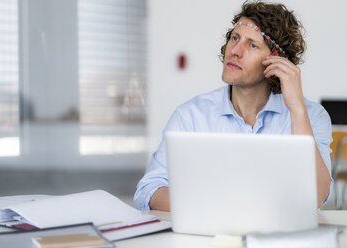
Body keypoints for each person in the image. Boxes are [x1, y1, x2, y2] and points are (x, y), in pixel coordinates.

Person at [134, 1, 333, 211]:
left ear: (276, 61)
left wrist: (297, 109)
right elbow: (149, 190)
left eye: (252, 44)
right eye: (234, 38)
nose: (235, 51)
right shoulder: (190, 115)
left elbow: (317, 197)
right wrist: (221, 208)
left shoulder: (311, 116)